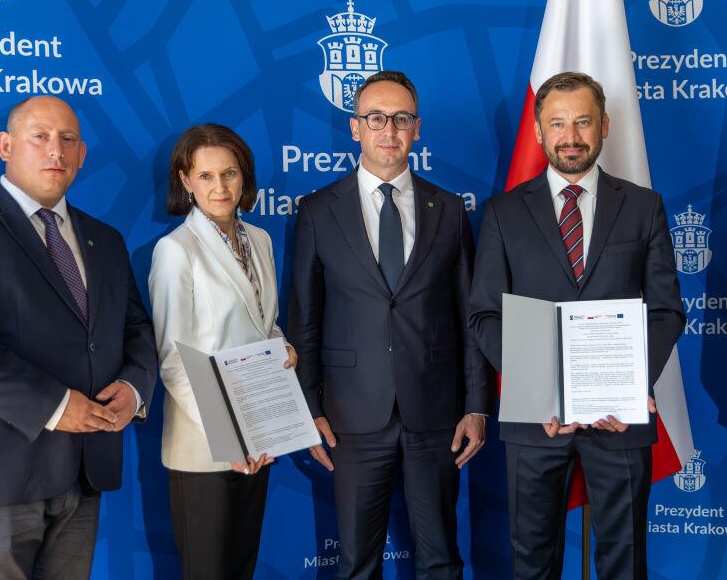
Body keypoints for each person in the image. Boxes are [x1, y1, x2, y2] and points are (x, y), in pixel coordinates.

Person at [0, 95, 157, 579]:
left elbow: (136, 329)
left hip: (83, 472)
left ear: (83, 155)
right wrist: (56, 406)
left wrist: (133, 387)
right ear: (5, 145)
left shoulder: (105, 239)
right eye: (39, 137)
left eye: (68, 140)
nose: (55, 152)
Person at [469, 71, 685, 579]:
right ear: (539, 133)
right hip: (535, 421)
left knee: (624, 562)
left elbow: (666, 309)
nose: (571, 136)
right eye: (558, 124)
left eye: (583, 121)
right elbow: (484, 315)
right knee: (532, 563)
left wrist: (630, 385)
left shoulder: (644, 207)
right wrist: (539, 389)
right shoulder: (502, 214)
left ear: (605, 126)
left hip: (619, 416)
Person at [288, 70, 491, 579]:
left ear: (416, 128)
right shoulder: (316, 211)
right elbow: (305, 321)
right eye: (376, 118)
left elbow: (470, 317)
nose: (389, 130)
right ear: (355, 127)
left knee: (441, 557)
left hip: (436, 413)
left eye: (401, 119)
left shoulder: (448, 209)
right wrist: (307, 409)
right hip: (350, 417)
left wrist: (475, 405)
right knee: (356, 563)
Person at [149, 123, 296, 580]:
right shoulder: (175, 251)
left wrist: (284, 347)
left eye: (229, 174)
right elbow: (173, 358)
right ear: (185, 179)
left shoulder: (263, 241)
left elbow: (265, 322)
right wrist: (229, 434)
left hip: (261, 434)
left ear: (245, 177)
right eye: (206, 176)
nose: (220, 187)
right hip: (205, 444)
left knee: (242, 568)